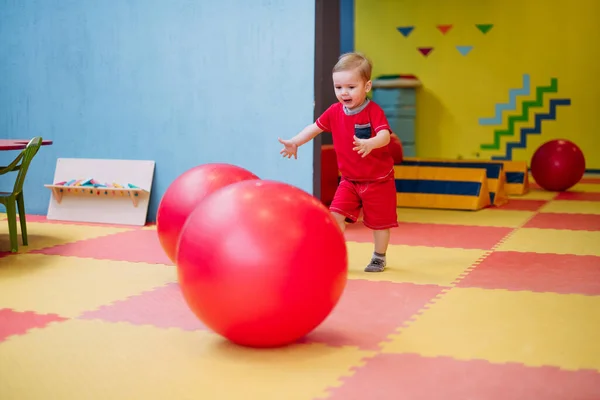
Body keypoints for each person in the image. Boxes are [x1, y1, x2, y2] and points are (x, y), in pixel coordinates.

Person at [278, 52, 398, 273]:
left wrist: (371, 143)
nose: (344, 92)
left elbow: (385, 136)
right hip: (349, 180)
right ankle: (331, 252)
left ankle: (379, 257)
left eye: (351, 87)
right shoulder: (334, 112)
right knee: (334, 216)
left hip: (378, 179)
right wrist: (295, 142)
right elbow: (314, 128)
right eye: (338, 87)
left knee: (380, 223)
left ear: (367, 86)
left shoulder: (374, 111)